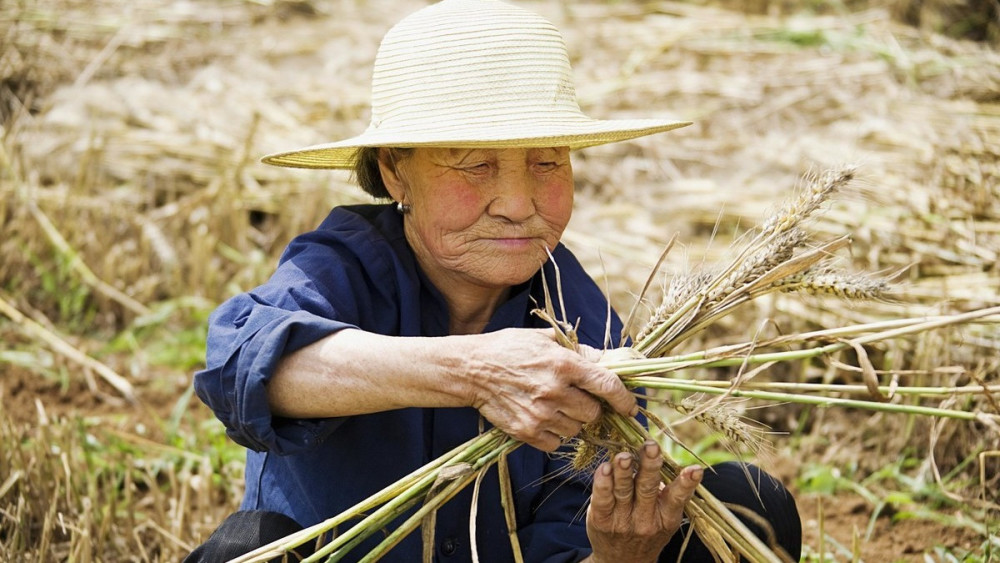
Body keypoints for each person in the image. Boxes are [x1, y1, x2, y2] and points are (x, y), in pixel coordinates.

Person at [188, 0, 802, 561]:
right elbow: (243, 367)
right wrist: (475, 372)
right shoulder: (346, 266)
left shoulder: (582, 323)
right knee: (247, 550)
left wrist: (619, 555)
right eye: (475, 164)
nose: (516, 202)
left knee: (747, 506)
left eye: (547, 162)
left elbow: (567, 541)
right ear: (395, 173)